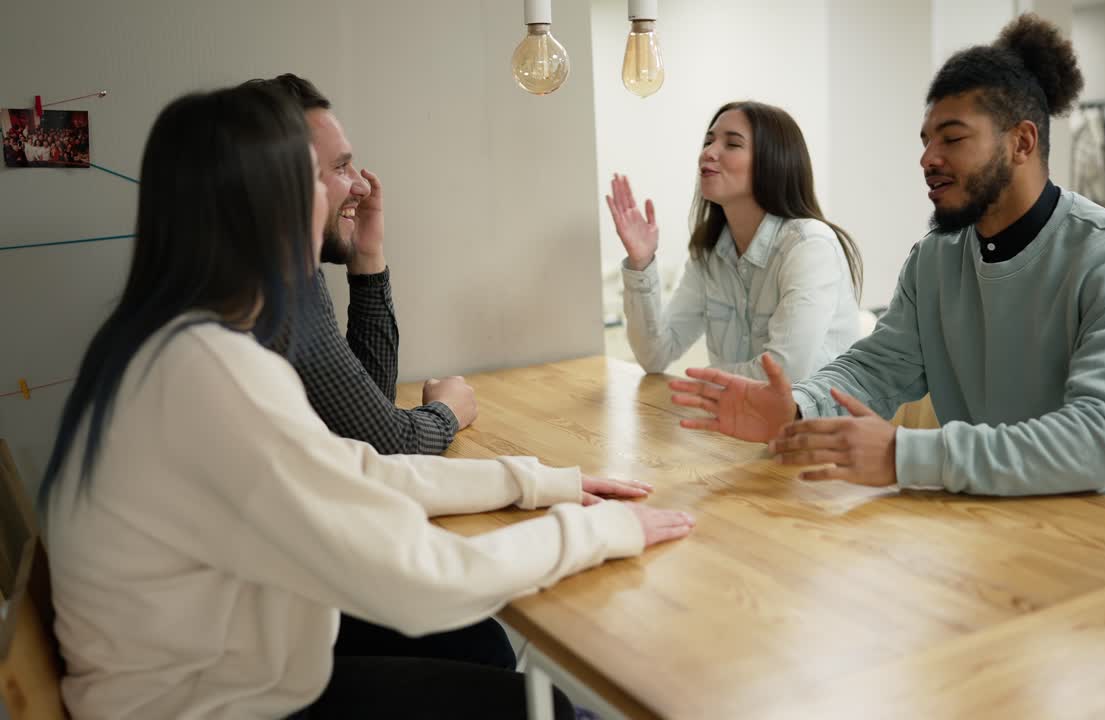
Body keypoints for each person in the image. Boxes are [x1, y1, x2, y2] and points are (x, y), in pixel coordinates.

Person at [40, 83, 695, 720]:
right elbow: (420, 580)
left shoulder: (162, 342)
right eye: (320, 178)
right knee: (539, 703)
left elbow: (355, 465)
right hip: (214, 702)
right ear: (272, 205)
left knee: (485, 654)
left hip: (207, 681)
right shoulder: (210, 368)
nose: (340, 194)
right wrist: (602, 531)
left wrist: (538, 483)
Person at [669, 14, 1105, 522]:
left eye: (952, 138)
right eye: (926, 139)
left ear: (1022, 142)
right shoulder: (935, 260)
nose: (928, 157)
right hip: (1013, 520)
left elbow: (1101, 442)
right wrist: (795, 406)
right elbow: (875, 368)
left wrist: (903, 454)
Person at [245, 74, 519, 671]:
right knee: (480, 644)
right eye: (341, 167)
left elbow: (358, 406)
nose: (361, 184)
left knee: (476, 636)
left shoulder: (287, 275)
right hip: (271, 635)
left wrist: (368, 258)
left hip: (287, 591)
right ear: (284, 184)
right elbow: (388, 444)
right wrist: (450, 411)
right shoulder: (274, 294)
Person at [607, 100, 864, 382]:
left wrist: (705, 379)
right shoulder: (709, 251)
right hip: (737, 423)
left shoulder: (809, 246)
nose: (708, 152)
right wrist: (641, 262)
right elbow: (655, 354)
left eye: (732, 144)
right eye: (709, 140)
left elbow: (784, 375)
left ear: (772, 162)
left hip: (812, 424)